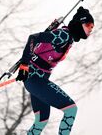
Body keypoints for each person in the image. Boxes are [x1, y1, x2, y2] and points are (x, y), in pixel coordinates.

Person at [16, 7, 95, 135]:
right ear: (79, 24)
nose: (91, 29)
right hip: (35, 80)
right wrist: (24, 65)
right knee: (71, 110)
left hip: (36, 81)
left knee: (41, 122)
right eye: (88, 25)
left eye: (92, 26)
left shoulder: (68, 38)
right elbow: (33, 38)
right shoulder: (63, 35)